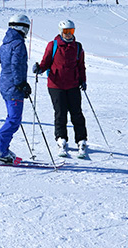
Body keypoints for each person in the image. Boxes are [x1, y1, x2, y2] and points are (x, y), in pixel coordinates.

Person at [33, 19, 88, 157]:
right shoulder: (53, 45)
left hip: (73, 85)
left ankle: (81, 139)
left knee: (77, 113)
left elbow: (81, 66)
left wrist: (83, 80)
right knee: (60, 113)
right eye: (66, 31)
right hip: (56, 85)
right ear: (61, 32)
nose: (69, 34)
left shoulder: (78, 47)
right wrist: (39, 69)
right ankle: (61, 139)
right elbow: (46, 62)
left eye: (71, 31)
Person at [0, 14, 31, 163]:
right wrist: (21, 84)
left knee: (11, 119)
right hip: (14, 88)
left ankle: (1, 149)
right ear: (21, 27)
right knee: (13, 121)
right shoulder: (18, 44)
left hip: (6, 87)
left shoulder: (6, 43)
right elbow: (16, 65)